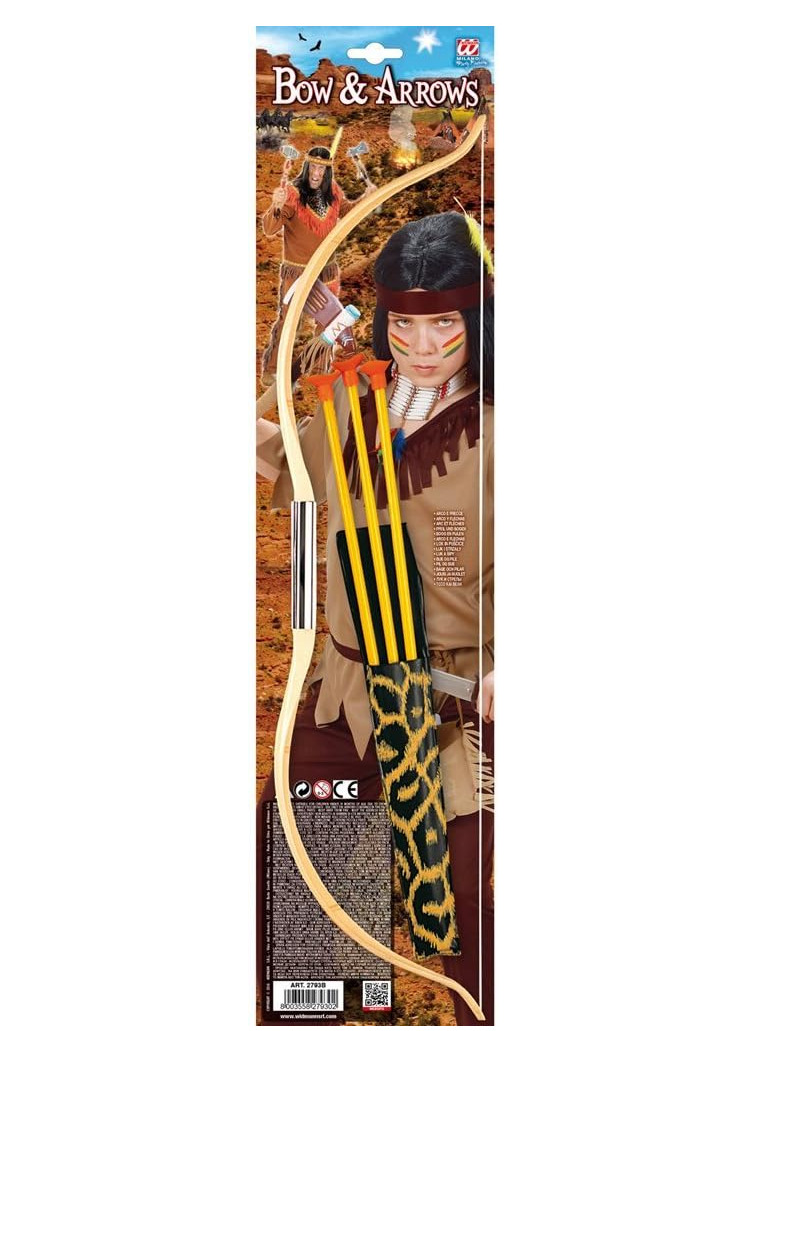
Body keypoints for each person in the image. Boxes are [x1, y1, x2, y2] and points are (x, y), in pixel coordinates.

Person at [257, 211, 494, 1025]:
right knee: (313, 929)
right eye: (405, 325)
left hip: (462, 719)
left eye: (445, 325)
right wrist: (294, 325)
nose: (423, 347)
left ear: (477, 322)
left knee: (478, 930)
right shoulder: (352, 411)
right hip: (345, 700)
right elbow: (272, 449)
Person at [260, 144, 365, 384]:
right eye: (313, 167)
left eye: (321, 169)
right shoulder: (293, 193)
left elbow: (348, 211)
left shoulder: (333, 192)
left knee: (328, 322)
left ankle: (318, 369)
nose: (316, 173)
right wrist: (276, 205)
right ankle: (273, 368)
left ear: (327, 172)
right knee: (288, 320)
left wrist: (366, 199)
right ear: (307, 167)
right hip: (297, 272)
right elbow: (269, 229)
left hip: (326, 270)